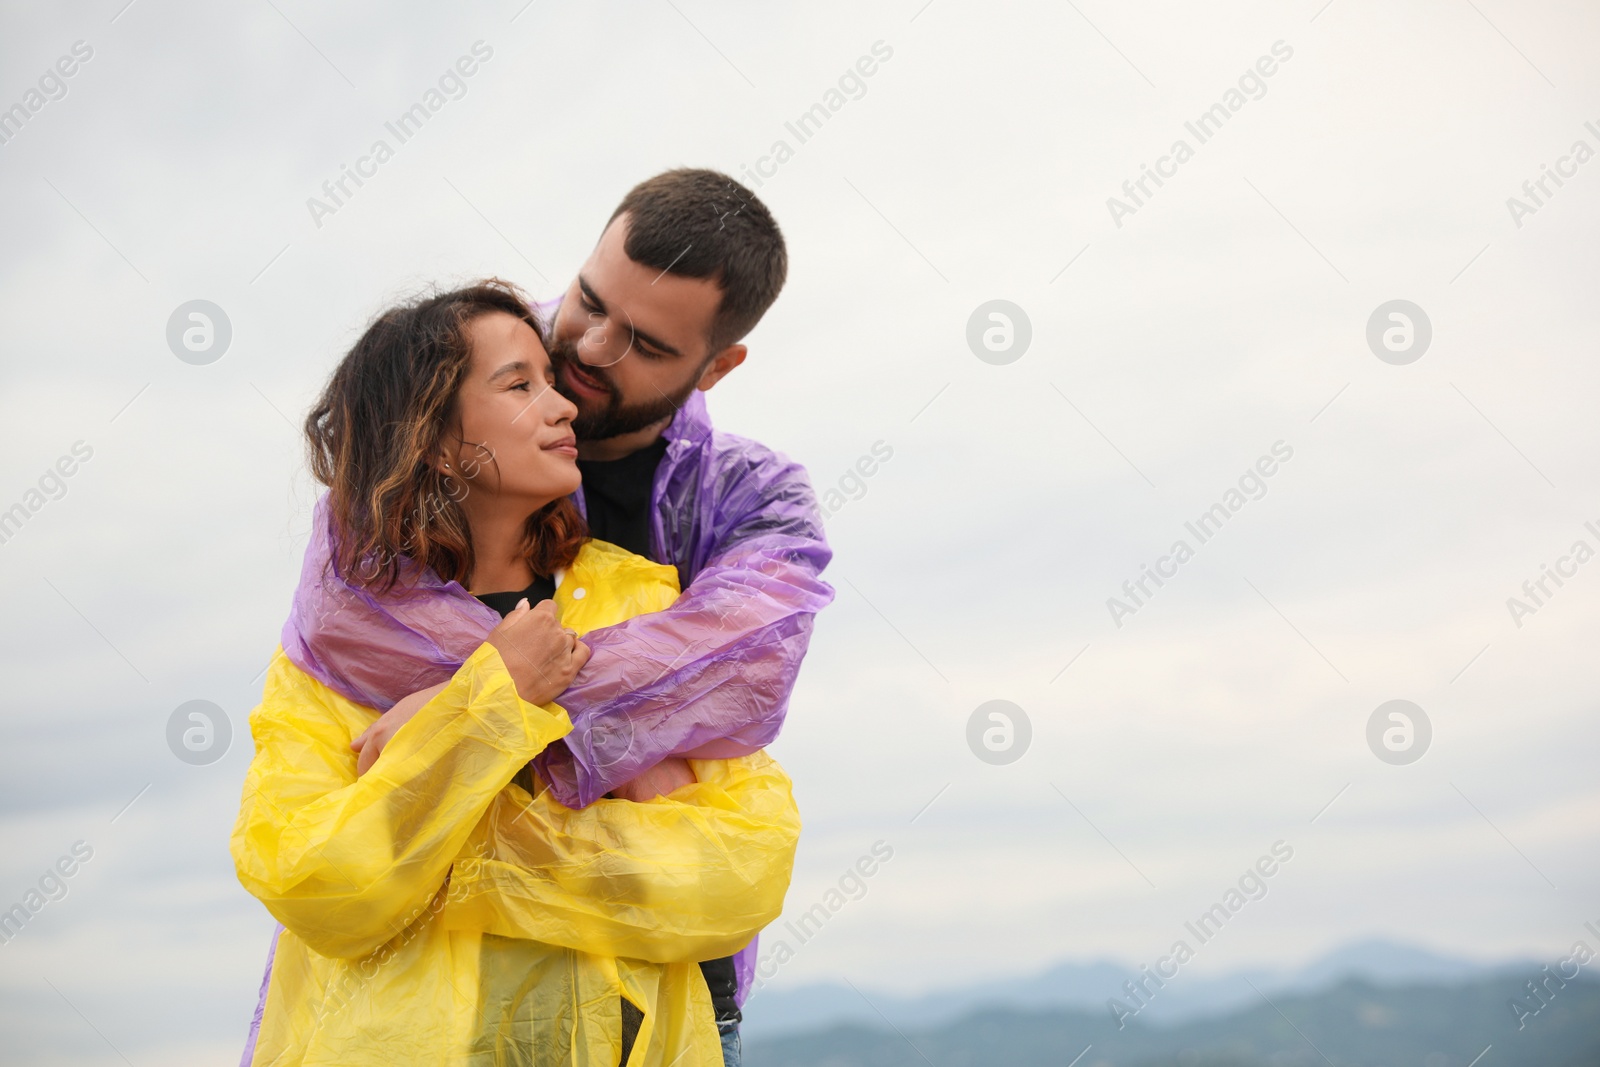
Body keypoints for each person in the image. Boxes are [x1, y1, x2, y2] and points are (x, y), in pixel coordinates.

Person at [330, 168, 836, 1064]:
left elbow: (738, 673)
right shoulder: (459, 367)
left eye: (642, 342)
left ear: (717, 366)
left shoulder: (756, 500)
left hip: (662, 962)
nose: (589, 348)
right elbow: (349, 623)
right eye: (589, 300)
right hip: (430, 974)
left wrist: (477, 710)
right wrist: (627, 745)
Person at [232, 281, 801, 1066]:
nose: (564, 404)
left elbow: (744, 869)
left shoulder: (639, 602)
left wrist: (438, 814)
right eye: (519, 384)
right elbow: (316, 880)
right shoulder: (344, 644)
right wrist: (494, 697)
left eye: (551, 378)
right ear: (435, 437)